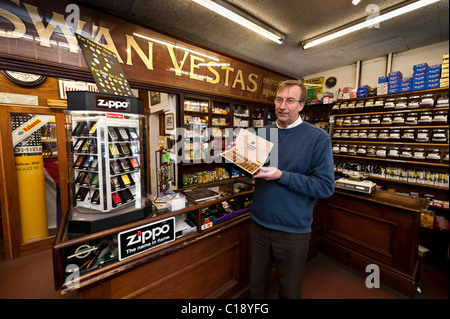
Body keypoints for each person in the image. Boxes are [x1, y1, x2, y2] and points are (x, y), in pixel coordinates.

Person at [249, 79, 335, 299]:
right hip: (259, 224)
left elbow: (325, 187)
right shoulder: (262, 132)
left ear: (301, 106)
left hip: (292, 230)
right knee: (256, 287)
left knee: (289, 291)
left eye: (290, 100)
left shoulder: (318, 138)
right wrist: (236, 157)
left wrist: (282, 176)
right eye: (279, 99)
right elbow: (252, 170)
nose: (282, 106)